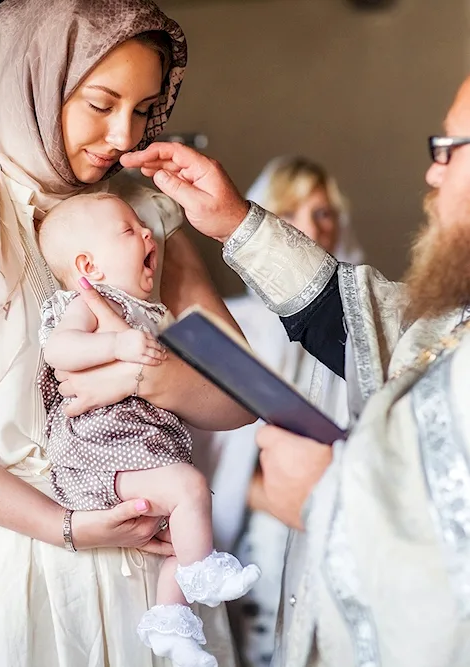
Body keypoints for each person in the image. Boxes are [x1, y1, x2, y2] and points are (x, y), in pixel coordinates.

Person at [123, 30, 470, 666]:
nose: (431, 172)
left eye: (446, 148)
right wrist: (235, 223)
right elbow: (392, 334)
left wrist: (328, 498)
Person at [0, 1, 253, 665]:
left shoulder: (144, 208)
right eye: (100, 103)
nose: (122, 135)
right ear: (32, 81)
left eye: (143, 108)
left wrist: (145, 372)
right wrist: (65, 526)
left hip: (149, 570)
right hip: (10, 574)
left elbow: (243, 391)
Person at [37, 192, 261, 667]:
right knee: (190, 488)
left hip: (143, 450)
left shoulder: (153, 311)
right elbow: (60, 351)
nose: (146, 233)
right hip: (99, 453)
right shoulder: (88, 302)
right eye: (128, 230)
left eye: (144, 226)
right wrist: (119, 342)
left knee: (183, 530)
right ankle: (202, 572)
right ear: (88, 265)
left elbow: (228, 389)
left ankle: (173, 628)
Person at [192, 156, 362, 667]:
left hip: (336, 517)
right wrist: (268, 496)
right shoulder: (234, 324)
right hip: (250, 525)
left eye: (325, 213)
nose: (313, 227)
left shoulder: (360, 333)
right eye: (293, 211)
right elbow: (210, 445)